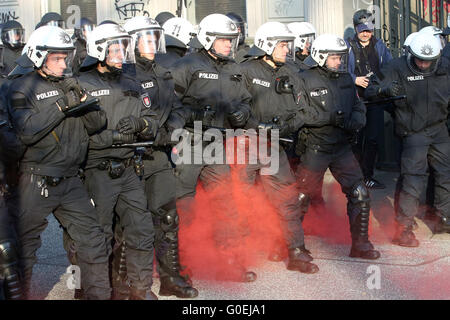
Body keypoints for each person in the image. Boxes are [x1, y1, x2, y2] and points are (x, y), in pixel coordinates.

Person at [6, 25, 111, 299]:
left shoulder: (70, 84)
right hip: (36, 179)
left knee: (94, 241)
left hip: (71, 179)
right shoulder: (21, 87)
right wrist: (62, 106)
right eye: (57, 58)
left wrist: (86, 101)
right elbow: (27, 130)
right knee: (24, 249)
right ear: (39, 57)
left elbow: (98, 123)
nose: (63, 64)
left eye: (66, 58)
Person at [170, 13, 257, 282]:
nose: (230, 44)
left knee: (224, 202)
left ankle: (229, 260)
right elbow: (169, 102)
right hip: (189, 143)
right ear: (208, 38)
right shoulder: (187, 65)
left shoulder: (234, 68)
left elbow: (246, 100)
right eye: (224, 40)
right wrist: (191, 116)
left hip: (217, 145)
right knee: (183, 206)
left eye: (232, 40)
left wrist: (242, 113)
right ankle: (179, 265)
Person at [77, 23, 160, 300]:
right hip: (97, 170)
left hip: (128, 168)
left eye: (123, 49)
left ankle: (140, 289)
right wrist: (108, 137)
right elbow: (76, 135)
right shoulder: (82, 84)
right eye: (114, 49)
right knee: (98, 237)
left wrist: (140, 123)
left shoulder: (132, 81)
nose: (120, 55)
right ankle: (93, 292)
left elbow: (153, 121)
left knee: (141, 229)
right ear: (99, 51)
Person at [121, 16, 198, 299]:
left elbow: (180, 108)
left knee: (167, 218)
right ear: (130, 42)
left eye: (155, 37)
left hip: (160, 157)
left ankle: (170, 278)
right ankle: (128, 285)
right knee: (130, 224)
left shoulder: (162, 71)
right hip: (132, 158)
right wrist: (153, 130)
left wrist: (171, 128)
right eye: (145, 38)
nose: (152, 44)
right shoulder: (122, 75)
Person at [239, 21, 319, 273]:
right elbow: (234, 106)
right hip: (245, 145)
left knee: (287, 199)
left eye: (288, 45)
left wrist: (282, 128)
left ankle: (295, 252)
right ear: (266, 44)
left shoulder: (291, 73)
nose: (287, 50)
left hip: (274, 146)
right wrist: (254, 125)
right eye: (282, 45)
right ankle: (236, 257)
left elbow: (303, 110)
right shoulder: (246, 71)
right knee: (237, 200)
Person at [296, 34, 381, 260]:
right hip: (316, 145)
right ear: (321, 56)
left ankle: (361, 245)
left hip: (341, 146)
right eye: (334, 58)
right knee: (301, 197)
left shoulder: (345, 79)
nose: (339, 62)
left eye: (341, 58)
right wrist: (329, 117)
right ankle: (292, 247)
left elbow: (358, 105)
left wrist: (356, 120)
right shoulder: (304, 78)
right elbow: (298, 112)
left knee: (360, 192)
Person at [366, 32, 450, 244]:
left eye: (428, 61)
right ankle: (403, 226)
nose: (423, 64)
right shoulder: (396, 67)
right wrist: (385, 90)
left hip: (439, 128)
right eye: (419, 59)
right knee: (413, 178)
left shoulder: (445, 67)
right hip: (413, 131)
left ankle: (444, 217)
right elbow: (370, 90)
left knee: (445, 174)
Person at [347, 9, 393, 189]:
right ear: (355, 28)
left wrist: (379, 81)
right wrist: (355, 79)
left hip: (375, 99)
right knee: (357, 139)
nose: (366, 33)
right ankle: (355, 178)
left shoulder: (380, 45)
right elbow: (340, 71)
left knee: (373, 139)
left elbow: (389, 68)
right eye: (362, 29)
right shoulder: (348, 46)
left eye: (369, 29)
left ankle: (367, 176)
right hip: (356, 100)